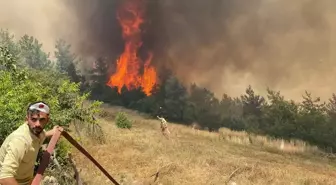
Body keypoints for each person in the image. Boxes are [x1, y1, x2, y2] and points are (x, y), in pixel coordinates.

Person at [0, 101, 63, 185]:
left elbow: (43, 134)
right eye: (33, 119)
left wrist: (54, 132)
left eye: (42, 120)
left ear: (47, 120)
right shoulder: (20, 141)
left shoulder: (37, 132)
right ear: (27, 119)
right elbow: (5, 178)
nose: (38, 124)